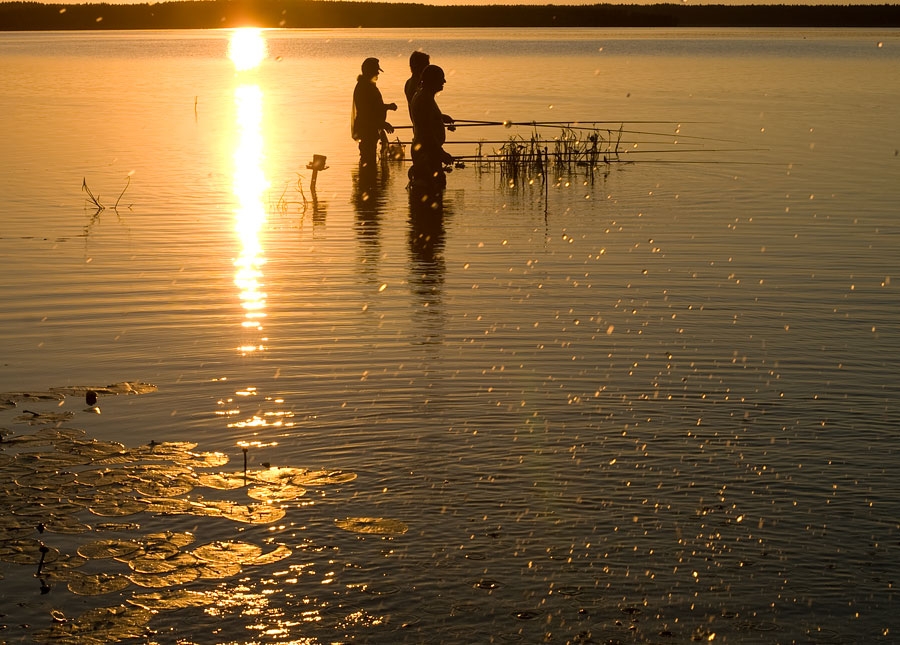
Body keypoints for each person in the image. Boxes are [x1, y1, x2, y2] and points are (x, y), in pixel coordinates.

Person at [410, 65, 454, 192]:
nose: (444, 81)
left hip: (427, 152)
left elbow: (426, 117)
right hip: (426, 154)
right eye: (441, 78)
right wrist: (441, 153)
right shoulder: (424, 99)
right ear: (433, 80)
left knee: (432, 190)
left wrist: (440, 117)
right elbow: (426, 133)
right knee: (430, 190)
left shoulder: (424, 96)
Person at [351, 57, 397, 171]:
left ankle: (369, 183)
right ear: (369, 71)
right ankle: (368, 183)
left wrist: (387, 106)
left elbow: (373, 107)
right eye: (376, 70)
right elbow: (366, 113)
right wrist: (382, 124)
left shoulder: (368, 86)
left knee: (369, 160)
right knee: (368, 160)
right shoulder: (364, 87)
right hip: (367, 132)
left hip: (371, 130)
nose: (377, 73)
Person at [404, 51, 431, 116]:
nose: (428, 69)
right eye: (426, 66)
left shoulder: (408, 83)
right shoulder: (419, 85)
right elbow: (422, 110)